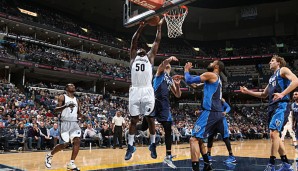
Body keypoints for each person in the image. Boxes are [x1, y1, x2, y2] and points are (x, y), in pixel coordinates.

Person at [240, 55, 298, 171]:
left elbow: (296, 81)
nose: (269, 63)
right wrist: (248, 92)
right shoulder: (272, 78)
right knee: (275, 136)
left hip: (281, 105)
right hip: (272, 106)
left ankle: (271, 164)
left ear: (278, 63)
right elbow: (263, 94)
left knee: (273, 134)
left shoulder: (283, 70)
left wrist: (282, 93)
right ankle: (286, 163)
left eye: (272, 61)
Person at [125, 18, 164, 160]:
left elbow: (157, 41)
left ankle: (152, 145)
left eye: (143, 48)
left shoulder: (150, 57)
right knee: (134, 120)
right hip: (135, 90)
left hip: (147, 90)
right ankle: (130, 146)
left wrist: (159, 27)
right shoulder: (133, 58)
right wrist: (141, 27)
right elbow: (133, 41)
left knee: (150, 119)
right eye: (139, 48)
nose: (141, 49)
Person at [180, 60, 225, 171]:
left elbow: (190, 79)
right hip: (214, 112)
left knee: (193, 139)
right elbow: (194, 86)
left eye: (213, 62)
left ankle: (195, 169)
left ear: (217, 66)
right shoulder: (215, 79)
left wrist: (186, 71)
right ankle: (207, 164)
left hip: (211, 112)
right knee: (199, 138)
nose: (210, 63)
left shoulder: (211, 75)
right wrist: (184, 79)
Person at [147, 55, 182, 168]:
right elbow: (162, 64)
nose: (167, 65)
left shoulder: (170, 79)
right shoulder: (159, 73)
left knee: (168, 128)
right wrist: (170, 58)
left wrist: (177, 86)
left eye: (169, 65)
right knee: (143, 126)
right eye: (166, 64)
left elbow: (177, 95)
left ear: (170, 68)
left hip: (164, 106)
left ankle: (168, 156)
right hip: (154, 102)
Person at [45, 83, 84, 171]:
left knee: (77, 140)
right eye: (71, 86)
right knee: (64, 144)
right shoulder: (62, 97)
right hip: (64, 122)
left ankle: (71, 163)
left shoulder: (76, 100)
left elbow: (78, 112)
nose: (73, 87)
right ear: (66, 88)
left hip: (74, 122)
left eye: (74, 86)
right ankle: (49, 155)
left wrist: (82, 116)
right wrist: (66, 105)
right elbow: (55, 110)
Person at [201, 98, 236, 163]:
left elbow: (228, 107)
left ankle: (231, 156)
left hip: (221, 121)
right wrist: (200, 112)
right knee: (210, 137)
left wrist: (225, 112)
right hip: (213, 122)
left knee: (225, 138)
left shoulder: (221, 100)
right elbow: (208, 110)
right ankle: (209, 155)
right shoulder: (210, 101)